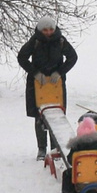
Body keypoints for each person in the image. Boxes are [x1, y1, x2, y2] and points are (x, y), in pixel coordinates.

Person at [17, 19, 78, 154]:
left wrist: (60, 72)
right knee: (39, 117)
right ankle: (42, 148)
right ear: (40, 30)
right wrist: (35, 73)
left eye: (50, 29)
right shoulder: (35, 41)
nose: (48, 32)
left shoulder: (61, 41)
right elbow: (22, 57)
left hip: (56, 85)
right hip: (37, 84)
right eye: (45, 30)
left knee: (56, 115)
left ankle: (55, 148)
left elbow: (72, 57)